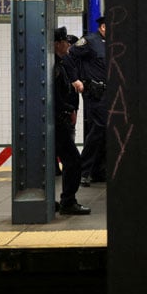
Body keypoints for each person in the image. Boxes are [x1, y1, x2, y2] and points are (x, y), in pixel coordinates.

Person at [53, 27, 90, 215]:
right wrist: (68, 109)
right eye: (65, 42)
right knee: (74, 161)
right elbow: (55, 97)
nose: (68, 45)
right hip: (58, 123)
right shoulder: (56, 67)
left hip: (59, 122)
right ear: (58, 43)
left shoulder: (59, 63)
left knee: (69, 161)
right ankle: (68, 201)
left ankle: (61, 200)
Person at [69, 16, 107, 187]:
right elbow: (69, 56)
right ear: (104, 27)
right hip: (95, 93)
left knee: (104, 131)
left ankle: (97, 171)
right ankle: (82, 171)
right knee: (99, 128)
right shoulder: (90, 41)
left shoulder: (110, 43)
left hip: (109, 93)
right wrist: (75, 79)